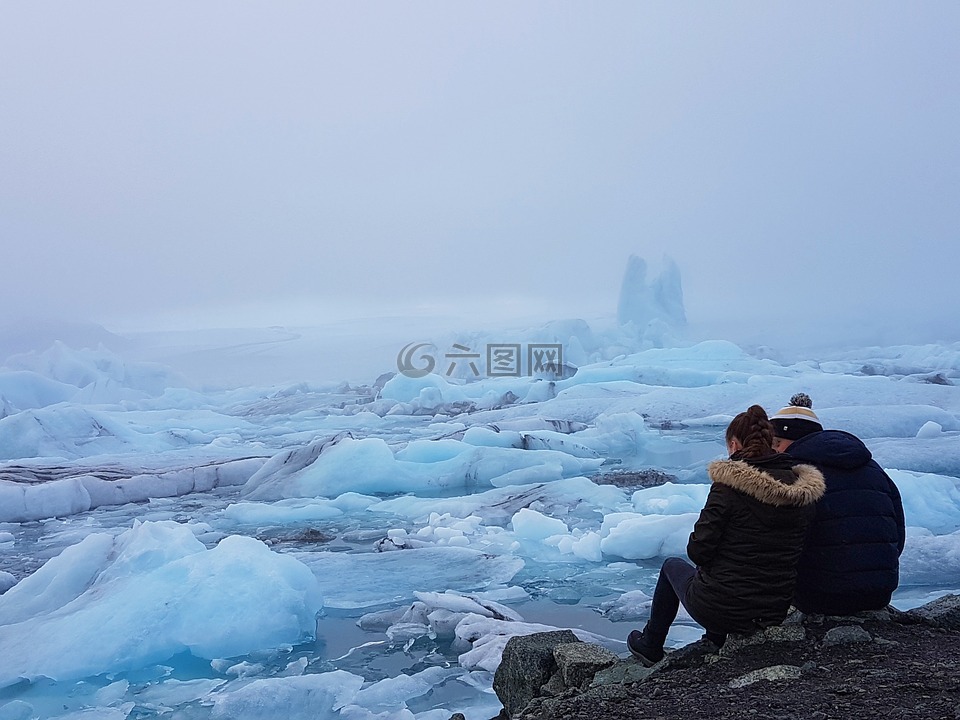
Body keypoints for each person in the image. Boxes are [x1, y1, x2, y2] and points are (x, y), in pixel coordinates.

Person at [627, 405, 825, 666]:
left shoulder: (728, 487)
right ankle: (717, 638)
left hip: (722, 608)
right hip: (773, 608)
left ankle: (651, 644)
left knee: (672, 567)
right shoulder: (802, 490)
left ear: (734, 445)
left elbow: (698, 550)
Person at [770, 394, 906, 615]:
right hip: (880, 592)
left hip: (820, 597)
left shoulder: (794, 474)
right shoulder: (873, 468)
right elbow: (898, 532)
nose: (772, 451)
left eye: (774, 443)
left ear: (784, 441)